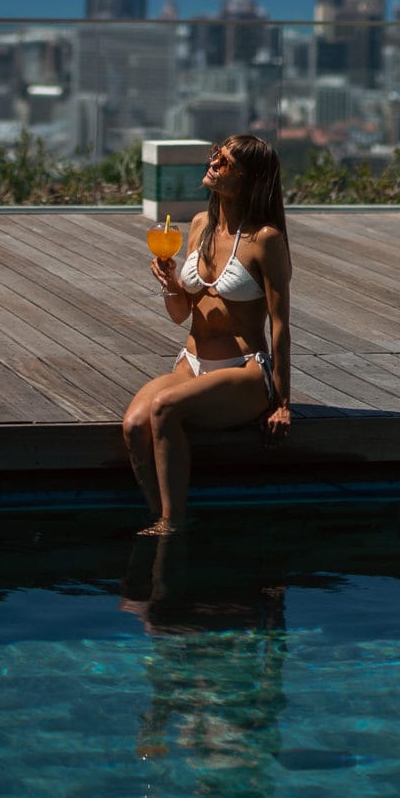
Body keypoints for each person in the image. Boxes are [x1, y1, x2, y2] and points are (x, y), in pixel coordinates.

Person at [122, 134, 292, 537]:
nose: (214, 163)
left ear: (249, 179)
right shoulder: (200, 225)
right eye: (215, 156)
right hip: (191, 362)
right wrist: (170, 285)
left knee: (163, 408)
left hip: (244, 368)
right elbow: (182, 315)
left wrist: (283, 402)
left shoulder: (265, 239)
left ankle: (172, 522)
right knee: (132, 425)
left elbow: (280, 323)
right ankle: (158, 515)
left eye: (226, 162)